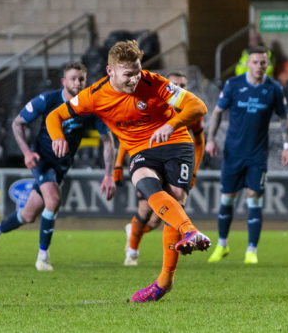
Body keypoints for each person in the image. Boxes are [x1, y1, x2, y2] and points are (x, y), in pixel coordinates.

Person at [45, 40, 209, 303]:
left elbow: (198, 107)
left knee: (175, 198)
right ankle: (189, 232)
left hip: (176, 141)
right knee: (145, 183)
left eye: (137, 71)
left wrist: (172, 124)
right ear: (110, 71)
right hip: (140, 149)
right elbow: (54, 117)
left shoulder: (152, 81)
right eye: (128, 74)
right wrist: (57, 137)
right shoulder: (94, 95)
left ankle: (164, 281)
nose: (135, 79)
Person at [0, 62, 116, 271]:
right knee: (53, 201)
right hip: (42, 160)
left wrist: (109, 175)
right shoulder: (48, 99)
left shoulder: (90, 106)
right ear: (64, 81)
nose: (77, 83)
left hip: (62, 165)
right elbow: (17, 123)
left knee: (27, 216)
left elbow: (107, 140)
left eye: (81, 79)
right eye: (73, 78)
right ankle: (42, 257)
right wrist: (27, 152)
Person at [206, 46, 288, 265]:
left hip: (257, 155)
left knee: (255, 199)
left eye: (263, 62)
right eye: (255, 62)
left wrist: (287, 145)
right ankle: (222, 245)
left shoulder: (273, 88)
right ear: (247, 63)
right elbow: (217, 112)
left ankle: (251, 250)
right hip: (233, 153)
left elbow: (284, 118)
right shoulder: (233, 84)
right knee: (227, 199)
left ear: (268, 64)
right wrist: (210, 139)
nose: (259, 66)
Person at [115, 70, 206, 266]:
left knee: (158, 219)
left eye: (183, 86)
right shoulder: (152, 105)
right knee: (146, 208)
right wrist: (117, 165)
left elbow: (199, 142)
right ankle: (132, 251)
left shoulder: (190, 112)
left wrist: (195, 171)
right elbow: (128, 137)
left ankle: (136, 232)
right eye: (175, 85)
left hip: (175, 159)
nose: (179, 89)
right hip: (148, 159)